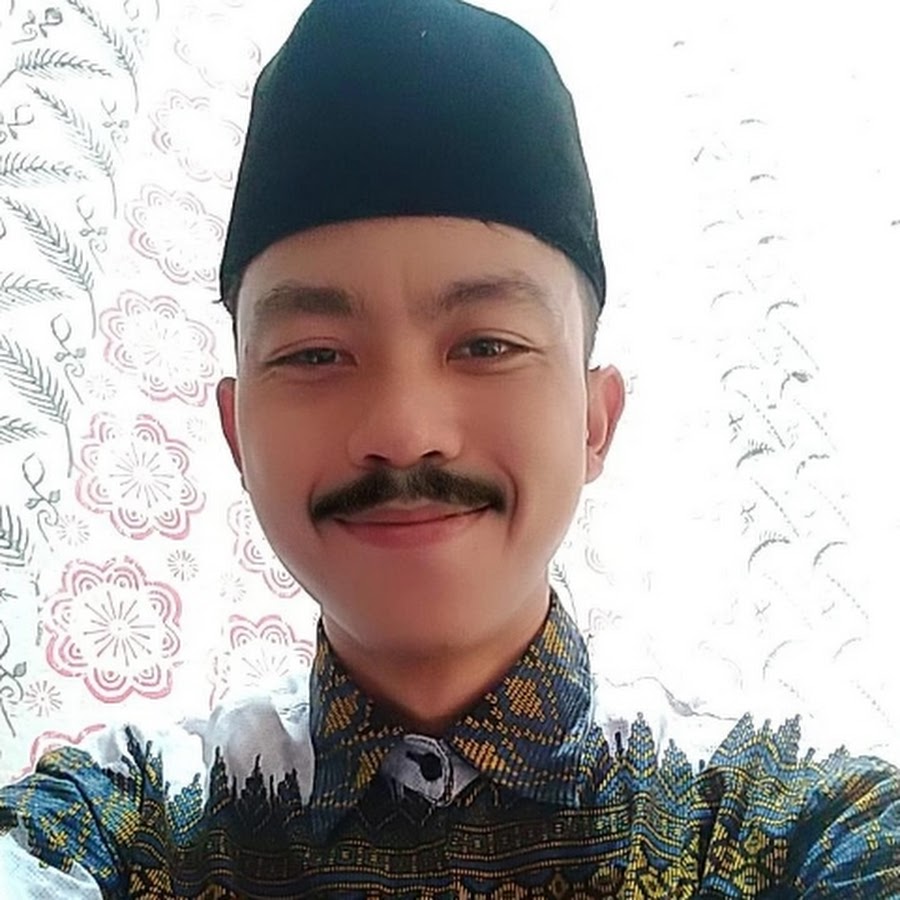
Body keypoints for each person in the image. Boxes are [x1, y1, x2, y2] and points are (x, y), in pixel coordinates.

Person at [2, 0, 899, 897]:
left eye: (486, 345)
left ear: (595, 420)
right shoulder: (128, 820)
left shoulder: (787, 826)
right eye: (315, 355)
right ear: (237, 432)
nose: (403, 430)